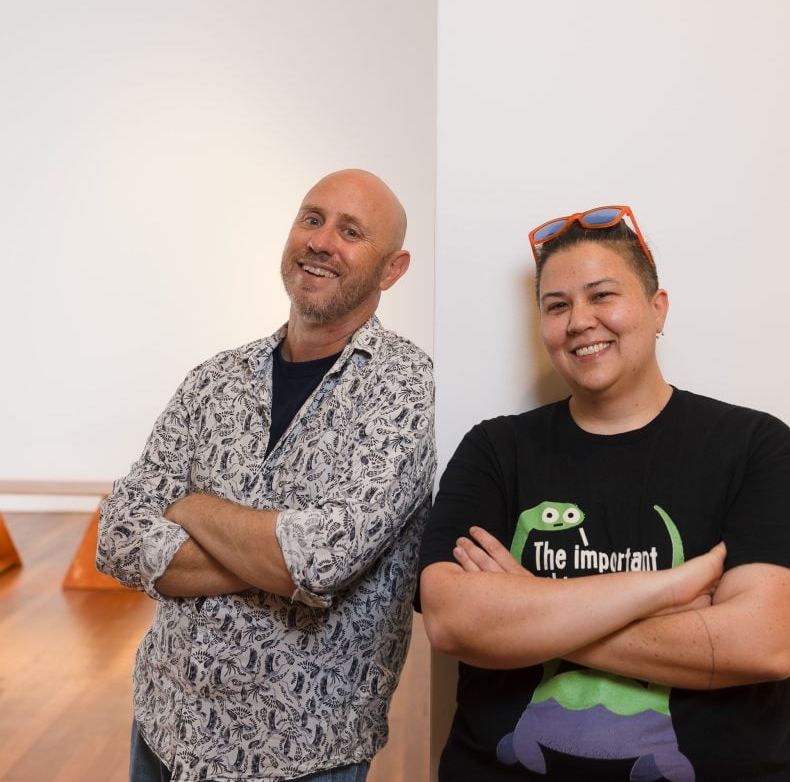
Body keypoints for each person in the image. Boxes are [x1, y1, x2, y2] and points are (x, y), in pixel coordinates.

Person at [419, 206, 790, 781]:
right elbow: (452, 620)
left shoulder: (756, 445)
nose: (579, 321)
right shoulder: (496, 450)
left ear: (657, 308)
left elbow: (763, 643)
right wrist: (667, 593)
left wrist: (530, 608)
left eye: (602, 296)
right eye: (556, 306)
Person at [97, 169, 436, 782]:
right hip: (164, 728)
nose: (321, 241)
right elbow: (118, 536)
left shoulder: (406, 389)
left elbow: (320, 561)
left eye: (351, 231)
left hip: (299, 753)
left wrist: (191, 505)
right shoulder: (214, 379)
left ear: (393, 269)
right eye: (312, 219)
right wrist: (273, 558)